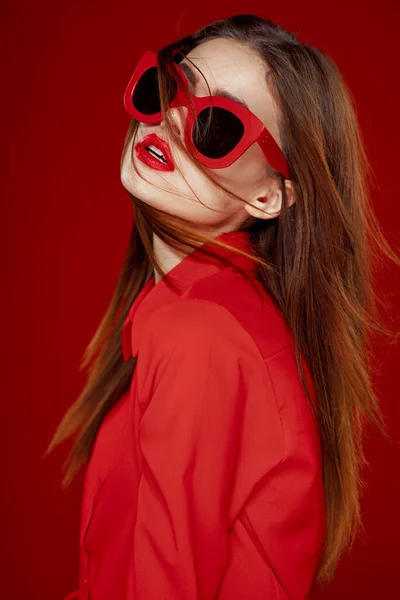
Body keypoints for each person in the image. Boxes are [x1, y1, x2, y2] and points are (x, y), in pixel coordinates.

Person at [48, 13, 399, 600]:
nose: (173, 120)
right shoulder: (212, 317)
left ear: (270, 196)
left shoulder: (201, 334)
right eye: (170, 88)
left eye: (216, 125)